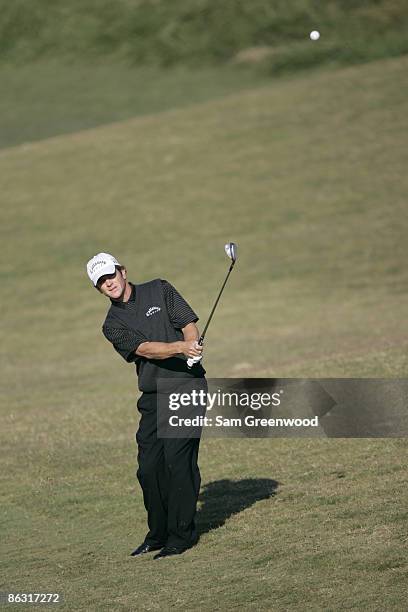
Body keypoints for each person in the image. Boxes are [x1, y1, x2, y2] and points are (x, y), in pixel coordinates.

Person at [86, 252, 206, 559]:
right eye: (101, 282)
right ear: (98, 289)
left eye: (110, 275)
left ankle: (181, 536)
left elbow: (187, 322)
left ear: (123, 271)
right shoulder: (112, 325)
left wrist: (192, 345)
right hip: (153, 396)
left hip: (186, 387)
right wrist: (181, 347)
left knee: (178, 462)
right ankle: (158, 534)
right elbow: (146, 350)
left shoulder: (159, 289)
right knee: (149, 468)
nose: (108, 283)